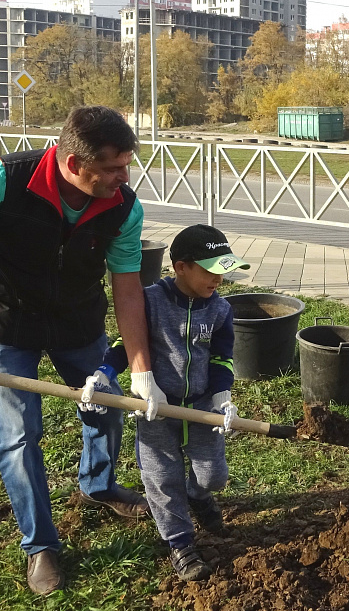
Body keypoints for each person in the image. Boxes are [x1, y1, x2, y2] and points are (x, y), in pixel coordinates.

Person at [0, 106, 157, 595]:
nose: (124, 178)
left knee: (107, 407)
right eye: (112, 168)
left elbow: (127, 288)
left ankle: (98, 485)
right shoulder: (5, 181)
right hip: (4, 320)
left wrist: (141, 371)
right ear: (74, 163)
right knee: (18, 436)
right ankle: (40, 544)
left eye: (127, 165)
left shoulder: (123, 206)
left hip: (75, 318)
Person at [104, 224, 248, 582]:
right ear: (181, 267)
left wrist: (222, 396)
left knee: (213, 476)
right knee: (162, 480)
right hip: (155, 408)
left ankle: (198, 496)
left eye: (223, 271)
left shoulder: (220, 310)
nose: (218, 279)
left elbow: (222, 358)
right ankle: (180, 543)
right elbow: (127, 344)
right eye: (210, 271)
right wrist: (104, 372)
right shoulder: (150, 301)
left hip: (201, 408)